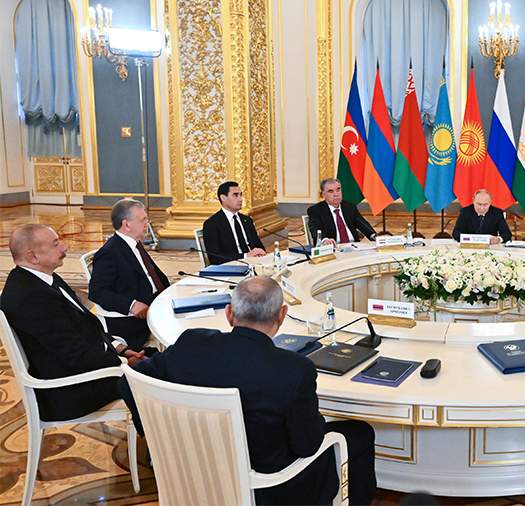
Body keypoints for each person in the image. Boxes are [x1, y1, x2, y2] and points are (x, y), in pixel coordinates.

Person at [118, 277, 376, 505]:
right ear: (281, 315)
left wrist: (156, 438)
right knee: (360, 433)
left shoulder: (191, 343)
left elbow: (127, 382)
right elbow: (307, 446)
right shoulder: (294, 370)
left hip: (193, 473)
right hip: (270, 489)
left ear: (229, 313)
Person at [1, 224, 144, 422]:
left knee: (162, 360)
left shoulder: (41, 278)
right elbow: (75, 355)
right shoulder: (31, 297)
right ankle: (158, 438)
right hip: (70, 391)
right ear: (33, 257)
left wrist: (120, 349)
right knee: (158, 377)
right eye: (55, 244)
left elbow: (86, 325)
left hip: (86, 367)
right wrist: (124, 363)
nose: (65, 247)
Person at [89, 199, 170, 349]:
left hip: (156, 306)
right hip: (134, 322)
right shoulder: (109, 253)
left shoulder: (135, 244)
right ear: (127, 224)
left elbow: (155, 277)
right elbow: (97, 292)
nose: (147, 224)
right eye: (143, 220)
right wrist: (132, 305)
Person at [202, 181, 266, 264]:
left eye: (241, 195)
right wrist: (245, 256)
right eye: (235, 195)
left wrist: (259, 253)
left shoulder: (247, 220)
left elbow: (258, 246)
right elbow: (215, 258)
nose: (240, 199)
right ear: (223, 198)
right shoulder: (212, 224)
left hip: (254, 263)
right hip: (231, 266)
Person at [306, 178, 376, 245]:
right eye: (331, 191)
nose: (336, 194)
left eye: (338, 190)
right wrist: (324, 240)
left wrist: (374, 236)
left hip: (354, 246)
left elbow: (363, 225)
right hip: (333, 248)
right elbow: (316, 230)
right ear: (323, 194)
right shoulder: (315, 210)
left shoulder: (350, 207)